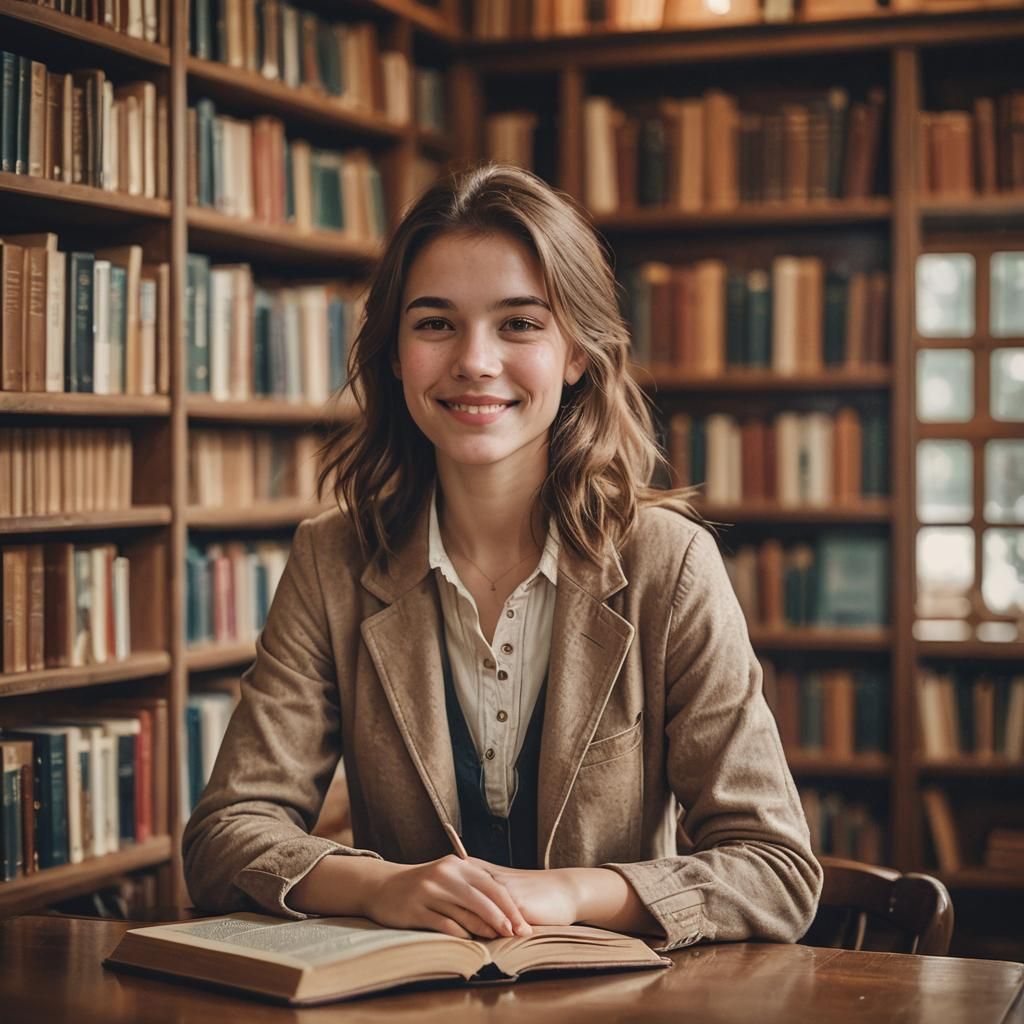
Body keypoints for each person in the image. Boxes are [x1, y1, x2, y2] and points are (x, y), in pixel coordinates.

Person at [182, 163, 822, 951]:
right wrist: (382, 886)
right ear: (393, 353)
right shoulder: (332, 557)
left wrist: (570, 894)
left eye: (520, 324)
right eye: (434, 323)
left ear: (578, 352)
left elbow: (777, 870)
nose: (475, 360)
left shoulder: (670, 564)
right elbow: (223, 836)